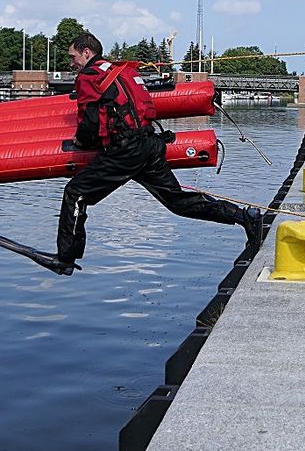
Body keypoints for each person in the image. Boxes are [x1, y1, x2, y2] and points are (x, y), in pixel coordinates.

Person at [47, 32, 263, 275]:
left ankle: (66, 258)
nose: (71, 62)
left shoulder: (89, 76)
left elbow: (90, 121)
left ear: (87, 52)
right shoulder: (122, 71)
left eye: (73, 56)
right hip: (149, 144)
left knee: (75, 193)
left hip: (126, 151)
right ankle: (246, 217)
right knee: (178, 203)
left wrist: (80, 141)